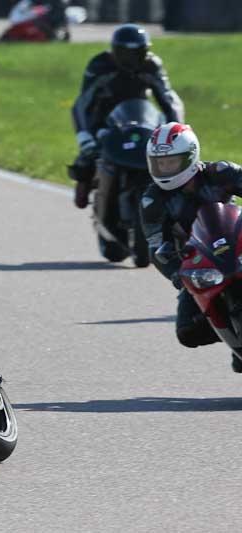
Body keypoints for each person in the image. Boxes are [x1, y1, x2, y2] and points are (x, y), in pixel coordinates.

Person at [140, 122, 242, 372]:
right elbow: (156, 246)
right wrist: (177, 273)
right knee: (188, 332)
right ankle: (235, 342)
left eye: (171, 162)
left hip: (237, 243)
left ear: (190, 156)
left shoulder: (221, 173)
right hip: (199, 261)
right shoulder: (153, 200)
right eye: (159, 164)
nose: (164, 169)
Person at [70, 24, 184, 208]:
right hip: (105, 122)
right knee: (87, 159)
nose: (132, 59)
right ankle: (85, 182)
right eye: (125, 53)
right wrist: (85, 138)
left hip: (142, 119)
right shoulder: (100, 65)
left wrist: (177, 130)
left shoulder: (151, 65)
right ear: (115, 51)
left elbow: (169, 99)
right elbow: (82, 104)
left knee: (172, 161)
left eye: (138, 52)